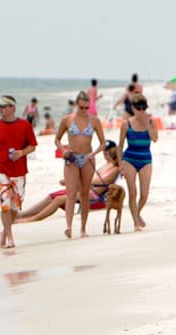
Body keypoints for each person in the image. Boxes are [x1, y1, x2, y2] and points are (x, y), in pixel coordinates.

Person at [0, 95, 37, 249]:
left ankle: (4, 233)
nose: (0, 109)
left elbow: (32, 145)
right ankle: (10, 238)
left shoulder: (24, 125)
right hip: (0, 170)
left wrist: (21, 153)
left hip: (19, 171)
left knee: (15, 208)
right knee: (4, 204)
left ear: (12, 107)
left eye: (3, 106)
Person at [17, 140, 121, 223]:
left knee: (58, 199)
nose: (106, 153)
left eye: (108, 151)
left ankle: (33, 219)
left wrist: (72, 181)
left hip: (94, 195)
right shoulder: (106, 165)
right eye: (105, 151)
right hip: (86, 190)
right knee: (52, 196)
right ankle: (23, 215)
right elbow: (90, 179)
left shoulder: (115, 168)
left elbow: (100, 181)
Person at [54, 90, 106, 238]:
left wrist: (93, 154)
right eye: (81, 107)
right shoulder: (67, 119)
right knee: (70, 193)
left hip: (88, 158)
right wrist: (63, 150)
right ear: (77, 105)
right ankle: (69, 227)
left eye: (86, 108)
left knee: (84, 194)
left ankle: (83, 228)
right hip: (72, 158)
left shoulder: (94, 120)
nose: (84, 111)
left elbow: (103, 143)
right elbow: (57, 139)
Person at [118, 94, 158, 231]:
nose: (141, 111)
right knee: (132, 191)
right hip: (129, 158)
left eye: (144, 108)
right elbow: (120, 145)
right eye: (138, 108)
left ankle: (137, 212)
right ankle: (135, 222)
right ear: (133, 108)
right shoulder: (126, 124)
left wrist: (147, 124)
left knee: (144, 194)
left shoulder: (151, 122)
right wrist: (120, 165)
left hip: (145, 158)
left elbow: (155, 139)